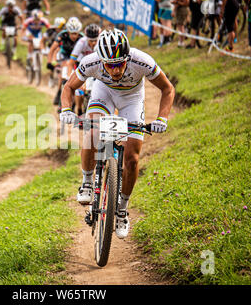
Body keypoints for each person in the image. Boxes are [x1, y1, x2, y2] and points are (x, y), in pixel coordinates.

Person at [60, 29, 175, 239]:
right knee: (93, 129)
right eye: (109, 65)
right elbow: (68, 87)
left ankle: (121, 209)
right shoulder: (90, 61)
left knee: (132, 158)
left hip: (131, 99)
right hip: (103, 94)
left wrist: (162, 119)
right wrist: (66, 110)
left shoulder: (143, 61)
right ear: (101, 60)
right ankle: (87, 182)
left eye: (120, 64)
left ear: (128, 57)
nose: (115, 70)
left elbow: (168, 89)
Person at [47, 17, 84, 107]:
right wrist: (49, 61)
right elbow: (52, 48)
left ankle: (76, 100)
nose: (74, 36)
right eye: (72, 34)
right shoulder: (62, 35)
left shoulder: (82, 37)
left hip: (76, 57)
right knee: (63, 74)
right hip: (65, 55)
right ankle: (59, 93)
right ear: (68, 32)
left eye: (76, 33)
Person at [68, 23, 101, 116]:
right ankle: (78, 109)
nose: (94, 43)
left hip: (95, 68)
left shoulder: (101, 42)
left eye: (95, 40)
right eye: (91, 40)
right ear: (87, 38)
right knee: (79, 89)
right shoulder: (81, 42)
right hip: (81, 66)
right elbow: (71, 62)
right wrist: (70, 77)